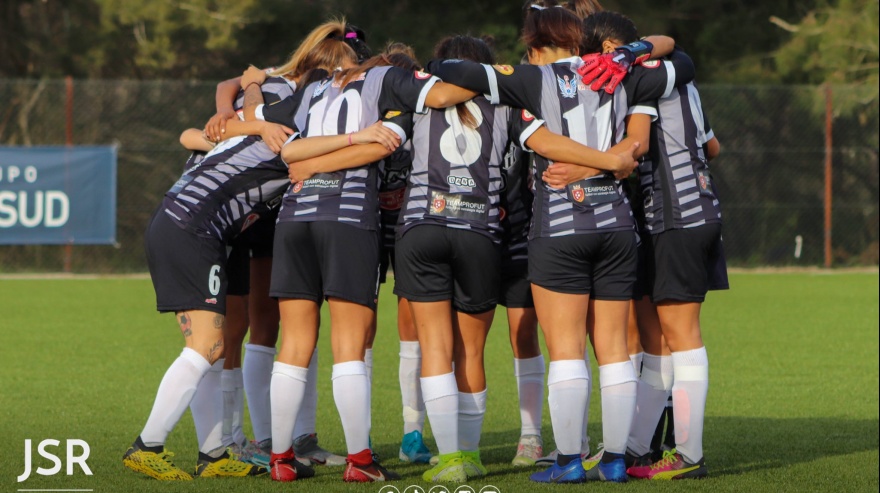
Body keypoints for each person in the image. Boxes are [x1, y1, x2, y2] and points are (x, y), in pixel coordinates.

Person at [428, 6, 695, 484]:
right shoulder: (624, 76)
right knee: (613, 348)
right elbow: (682, 59)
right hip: (616, 225)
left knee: (567, 349)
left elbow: (451, 69)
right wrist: (631, 55)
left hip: (560, 228)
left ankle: (570, 459)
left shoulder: (531, 79)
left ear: (535, 44)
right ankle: (613, 459)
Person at [121, 23, 364, 482]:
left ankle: (213, 455)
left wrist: (249, 105)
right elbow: (304, 154)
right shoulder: (292, 123)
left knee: (210, 347)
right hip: (192, 228)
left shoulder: (273, 112)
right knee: (209, 345)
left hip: (189, 224)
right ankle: (146, 445)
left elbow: (200, 132)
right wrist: (365, 138)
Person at [240, 46, 478, 483]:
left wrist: (253, 86)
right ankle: (360, 461)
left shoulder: (315, 86)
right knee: (349, 346)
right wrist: (497, 76)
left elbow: (259, 123)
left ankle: (280, 457)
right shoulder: (391, 83)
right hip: (348, 219)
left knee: (293, 344)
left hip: (294, 219)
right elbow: (436, 101)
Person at [577, 11, 726, 481]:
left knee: (680, 334)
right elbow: (714, 147)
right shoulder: (671, 72)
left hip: (677, 216)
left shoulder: (642, 75)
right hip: (687, 211)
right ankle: (635, 448)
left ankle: (689, 456)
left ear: (605, 52)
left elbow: (635, 147)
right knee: (656, 338)